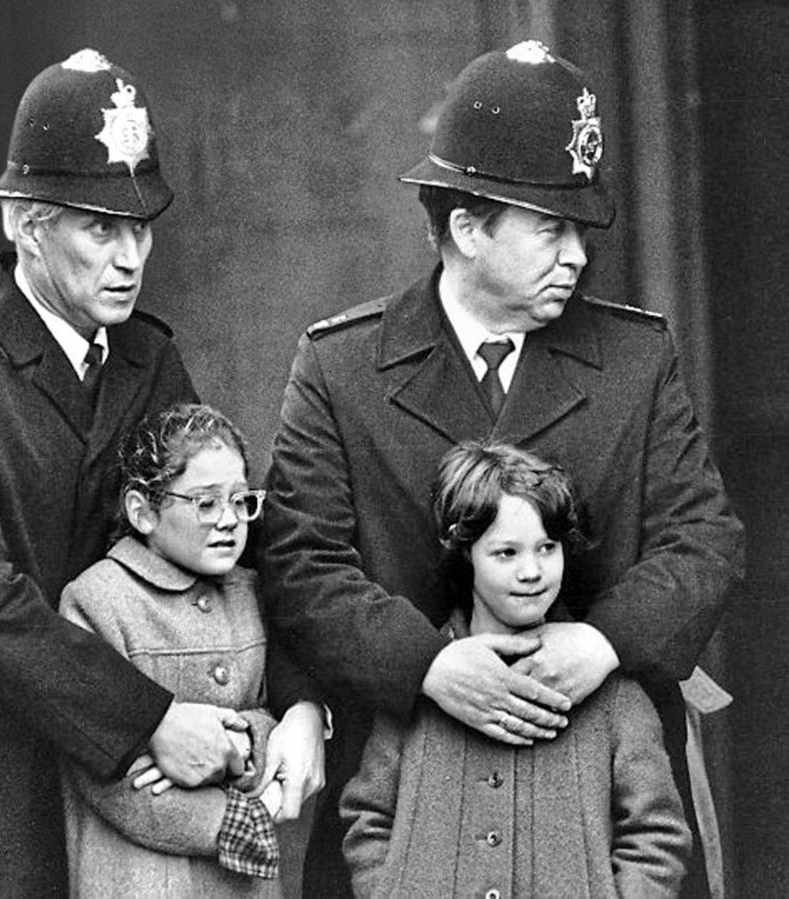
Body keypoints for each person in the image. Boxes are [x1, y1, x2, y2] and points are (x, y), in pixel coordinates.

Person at [0, 49, 323, 897]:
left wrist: (307, 704)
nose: (131, 255)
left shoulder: (144, 359)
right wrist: (152, 719)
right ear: (26, 225)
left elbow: (236, 527)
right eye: (101, 227)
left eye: (142, 226)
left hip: (98, 810)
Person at [258, 39, 743, 897]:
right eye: (550, 229)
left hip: (605, 806)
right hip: (410, 798)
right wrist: (429, 665)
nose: (578, 257)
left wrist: (601, 642)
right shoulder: (340, 368)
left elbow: (704, 542)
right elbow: (301, 563)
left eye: (580, 231)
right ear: (467, 226)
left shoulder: (636, 357)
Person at [340, 441, 692, 897]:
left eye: (547, 547)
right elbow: (368, 817)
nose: (532, 571)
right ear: (465, 552)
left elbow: (656, 834)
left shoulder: (614, 695)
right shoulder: (420, 683)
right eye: (506, 553)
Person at [59, 403, 297, 897]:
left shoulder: (252, 591)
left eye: (240, 501)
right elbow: (106, 770)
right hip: (141, 880)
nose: (229, 520)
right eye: (206, 503)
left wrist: (241, 744)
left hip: (243, 886)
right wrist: (234, 816)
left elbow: (276, 715)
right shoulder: (97, 600)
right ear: (143, 511)